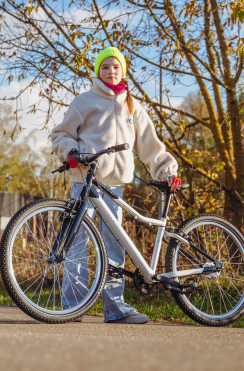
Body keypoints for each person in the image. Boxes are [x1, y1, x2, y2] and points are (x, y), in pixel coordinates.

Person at [50, 46, 182, 324]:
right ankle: (73, 306)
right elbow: (61, 134)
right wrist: (70, 153)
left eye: (116, 67)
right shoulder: (84, 102)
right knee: (75, 244)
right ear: (98, 71)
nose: (111, 71)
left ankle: (115, 308)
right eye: (106, 67)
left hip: (114, 189)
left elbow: (150, 146)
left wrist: (167, 171)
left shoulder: (132, 107)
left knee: (114, 248)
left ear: (123, 71)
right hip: (84, 184)